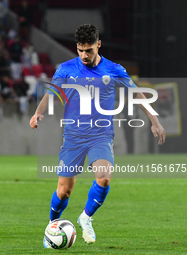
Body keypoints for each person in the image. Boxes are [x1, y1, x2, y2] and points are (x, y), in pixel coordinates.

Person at [29, 24, 166, 246]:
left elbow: (138, 94)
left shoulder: (114, 70)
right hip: (73, 138)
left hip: (100, 136)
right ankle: (51, 227)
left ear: (98, 45)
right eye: (80, 50)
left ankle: (85, 218)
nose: (84, 55)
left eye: (89, 50)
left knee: (103, 178)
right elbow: (51, 94)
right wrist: (38, 113)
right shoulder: (65, 69)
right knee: (64, 191)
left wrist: (155, 120)